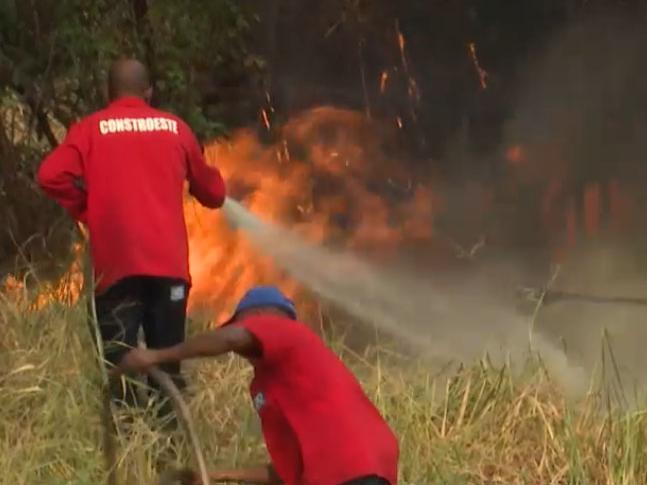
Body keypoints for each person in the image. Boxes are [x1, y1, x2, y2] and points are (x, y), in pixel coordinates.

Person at [37, 58, 226, 420]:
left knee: (119, 364)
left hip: (116, 271)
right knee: (167, 363)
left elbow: (49, 175)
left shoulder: (90, 129)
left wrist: (86, 209)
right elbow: (214, 194)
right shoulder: (176, 128)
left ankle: (125, 447)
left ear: (108, 93)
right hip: (169, 272)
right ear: (149, 91)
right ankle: (168, 450)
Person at [115, 286, 400, 485]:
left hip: (352, 470)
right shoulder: (272, 382)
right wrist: (217, 476)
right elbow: (286, 473)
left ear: (260, 315)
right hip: (352, 470)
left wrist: (156, 355)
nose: (233, 335)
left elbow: (231, 339)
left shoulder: (286, 331)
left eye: (237, 323)